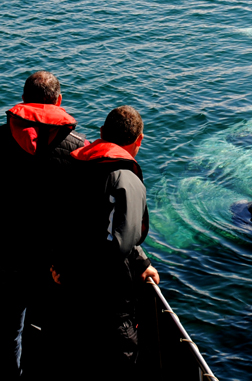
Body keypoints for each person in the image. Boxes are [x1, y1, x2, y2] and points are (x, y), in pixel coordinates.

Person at [53, 105, 159, 378]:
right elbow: (122, 241)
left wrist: (62, 264)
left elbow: (68, 221)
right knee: (119, 356)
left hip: (68, 283)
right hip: (108, 296)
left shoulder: (75, 164)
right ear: (140, 140)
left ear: (101, 133)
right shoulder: (125, 178)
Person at [0, 71, 87, 378]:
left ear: (23, 101)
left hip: (8, 255)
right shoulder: (79, 148)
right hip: (56, 260)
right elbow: (86, 213)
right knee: (56, 326)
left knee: (10, 329)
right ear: (59, 101)